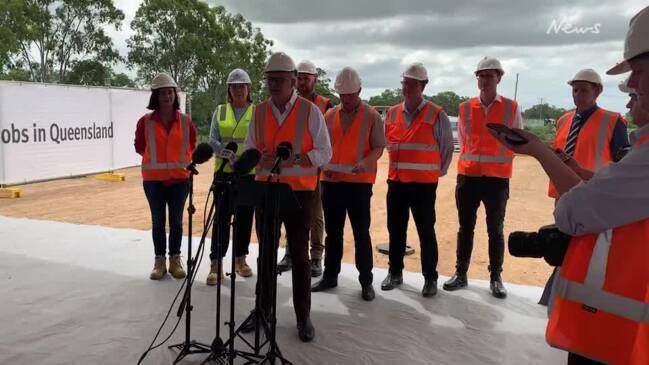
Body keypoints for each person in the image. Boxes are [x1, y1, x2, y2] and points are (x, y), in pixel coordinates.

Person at [491, 7, 649, 363]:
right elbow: (611, 187)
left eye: (638, 72)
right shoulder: (565, 120)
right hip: (597, 216)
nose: (631, 87)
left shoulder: (619, 128)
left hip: (594, 227)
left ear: (595, 91)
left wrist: (538, 151)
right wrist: (560, 160)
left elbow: (578, 210)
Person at [244, 52, 332, 342]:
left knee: (301, 256)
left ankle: (303, 316)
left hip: (301, 194)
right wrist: (257, 158)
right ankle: (263, 310)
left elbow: (325, 153)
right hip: (266, 191)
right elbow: (250, 151)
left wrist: (296, 159)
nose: (273, 85)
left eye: (279, 79)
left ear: (294, 81)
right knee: (266, 253)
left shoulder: (311, 112)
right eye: (270, 80)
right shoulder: (258, 112)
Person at [443, 57, 524, 299]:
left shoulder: (511, 107)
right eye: (481, 75)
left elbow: (517, 140)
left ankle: (495, 277)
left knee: (495, 230)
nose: (484, 80)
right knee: (465, 228)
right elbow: (465, 141)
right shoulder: (465, 107)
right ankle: (461, 273)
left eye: (489, 75)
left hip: (497, 179)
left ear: (499, 78)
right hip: (468, 177)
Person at [311, 67, 385, 301]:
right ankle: (330, 275)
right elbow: (322, 148)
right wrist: (324, 168)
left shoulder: (372, 115)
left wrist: (364, 162)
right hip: (331, 181)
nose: (346, 100)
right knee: (333, 233)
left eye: (350, 95)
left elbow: (378, 147)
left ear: (359, 91)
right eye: (342, 95)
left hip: (359, 184)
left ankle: (366, 282)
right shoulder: (329, 116)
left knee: (361, 233)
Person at [380, 63, 454, 297]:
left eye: (412, 83)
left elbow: (446, 149)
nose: (407, 87)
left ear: (423, 86)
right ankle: (395, 272)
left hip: (423, 186)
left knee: (425, 232)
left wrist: (434, 173)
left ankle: (430, 278)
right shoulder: (391, 113)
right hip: (397, 183)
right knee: (396, 230)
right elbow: (386, 144)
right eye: (405, 83)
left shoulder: (436, 114)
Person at [134, 73, 197, 280]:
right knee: (158, 221)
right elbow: (140, 147)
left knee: (177, 222)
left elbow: (192, 145)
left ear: (175, 95)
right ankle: (159, 261)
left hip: (180, 180)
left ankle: (175, 260)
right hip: (154, 182)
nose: (167, 96)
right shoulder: (145, 122)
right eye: (162, 93)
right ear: (156, 96)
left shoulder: (186, 122)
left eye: (170, 92)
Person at [277, 60, 335, 277]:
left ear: (315, 80)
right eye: (299, 78)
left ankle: (316, 256)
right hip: (291, 173)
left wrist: (321, 164)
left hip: (315, 170)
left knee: (315, 215)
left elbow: (329, 141)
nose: (301, 83)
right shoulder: (287, 104)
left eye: (306, 78)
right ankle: (290, 254)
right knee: (291, 215)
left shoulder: (325, 105)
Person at [205, 68, 256, 286]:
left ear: (248, 89)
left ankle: (240, 260)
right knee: (221, 220)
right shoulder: (221, 111)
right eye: (234, 86)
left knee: (244, 219)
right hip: (223, 172)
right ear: (229, 89)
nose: (238, 90)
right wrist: (229, 155)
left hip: (247, 175)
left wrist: (243, 159)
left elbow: (258, 140)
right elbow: (213, 139)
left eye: (242, 86)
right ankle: (216, 263)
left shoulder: (257, 112)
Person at [547, 68, 629, 196]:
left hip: (594, 192)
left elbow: (622, 164)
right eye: (575, 90)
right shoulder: (563, 120)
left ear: (597, 92)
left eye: (584, 90)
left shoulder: (613, 121)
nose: (578, 94)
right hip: (562, 190)